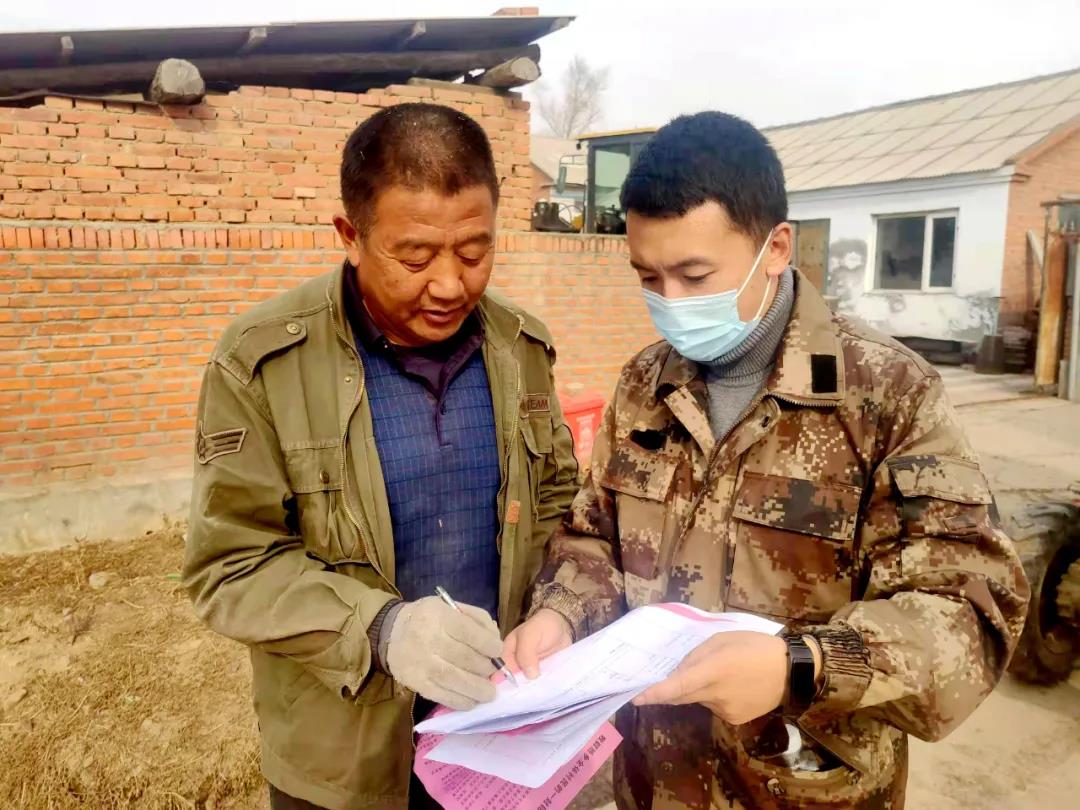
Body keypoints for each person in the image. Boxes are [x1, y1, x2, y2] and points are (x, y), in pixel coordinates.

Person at [505, 112, 1029, 809]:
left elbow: (969, 611)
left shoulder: (887, 395)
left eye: (694, 275)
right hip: (653, 783)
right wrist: (562, 612)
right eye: (649, 277)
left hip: (802, 789)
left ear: (776, 247)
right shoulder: (645, 385)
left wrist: (799, 667)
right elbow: (594, 533)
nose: (670, 302)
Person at [183, 103, 579, 810]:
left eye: (475, 251)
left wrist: (557, 612)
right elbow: (230, 566)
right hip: (344, 759)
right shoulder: (262, 362)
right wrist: (380, 629)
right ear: (351, 236)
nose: (450, 285)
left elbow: (555, 506)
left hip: (499, 735)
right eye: (416, 258)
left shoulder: (522, 347)